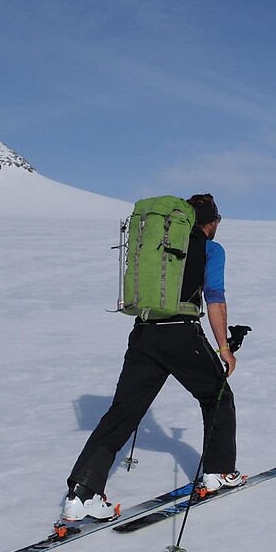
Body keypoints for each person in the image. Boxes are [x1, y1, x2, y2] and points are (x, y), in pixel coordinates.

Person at [62, 193, 243, 521]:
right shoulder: (211, 249)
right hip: (182, 333)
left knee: (122, 413)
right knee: (217, 395)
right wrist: (224, 349)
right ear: (212, 222)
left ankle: (81, 494)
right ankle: (219, 472)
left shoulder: (158, 246)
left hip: (144, 334)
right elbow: (215, 298)